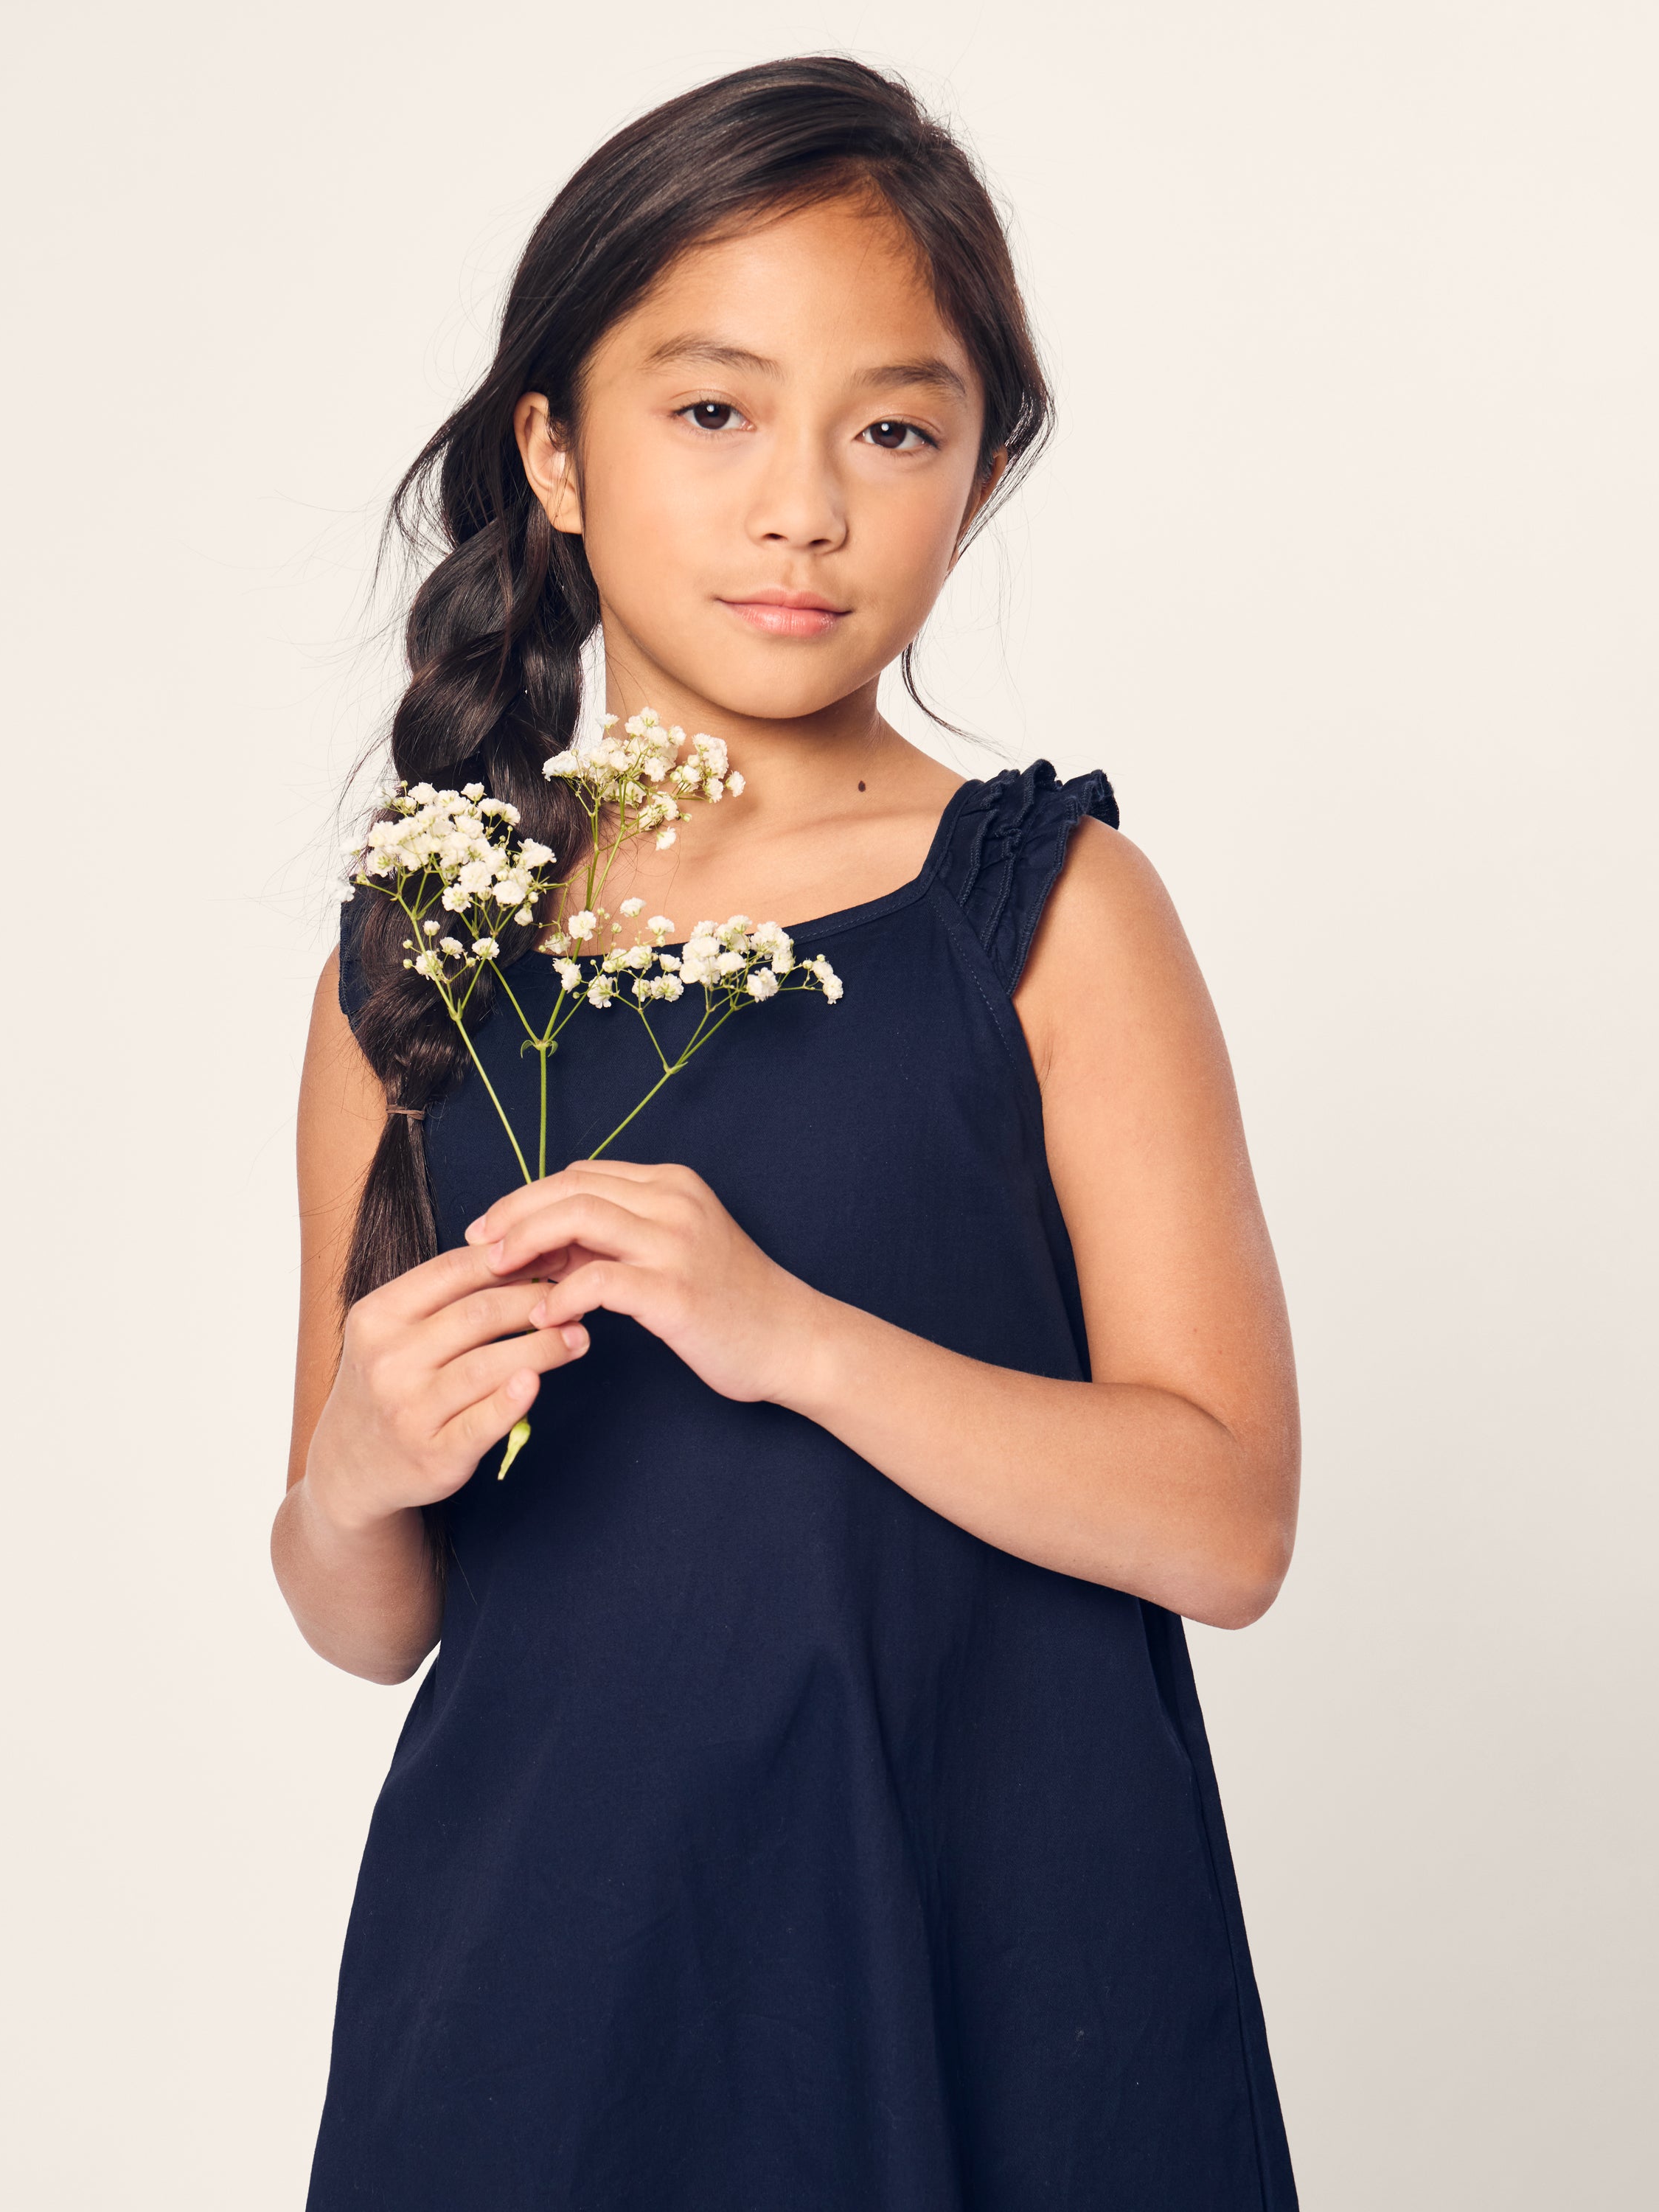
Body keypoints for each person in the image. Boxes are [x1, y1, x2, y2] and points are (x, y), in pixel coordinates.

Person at [275, 55, 1301, 2210]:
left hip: (989, 1947)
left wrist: (792, 1333)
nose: (804, 507)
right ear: (552, 449)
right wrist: (355, 1477)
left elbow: (1225, 1523)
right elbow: (367, 1612)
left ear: (978, 472)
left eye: (896, 429)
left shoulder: (1047, 906)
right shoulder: (429, 948)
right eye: (714, 410)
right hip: (543, 1981)